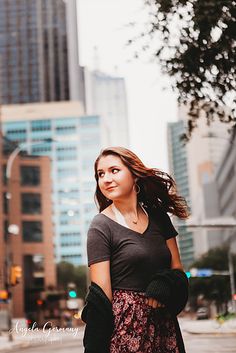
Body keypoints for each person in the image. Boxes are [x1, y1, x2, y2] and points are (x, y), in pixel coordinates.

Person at [82, 146, 189, 353]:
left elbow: (178, 271)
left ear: (134, 175)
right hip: (124, 329)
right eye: (100, 174)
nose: (105, 179)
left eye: (114, 170)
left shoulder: (159, 218)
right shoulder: (100, 226)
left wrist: (165, 284)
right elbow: (100, 296)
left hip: (163, 326)